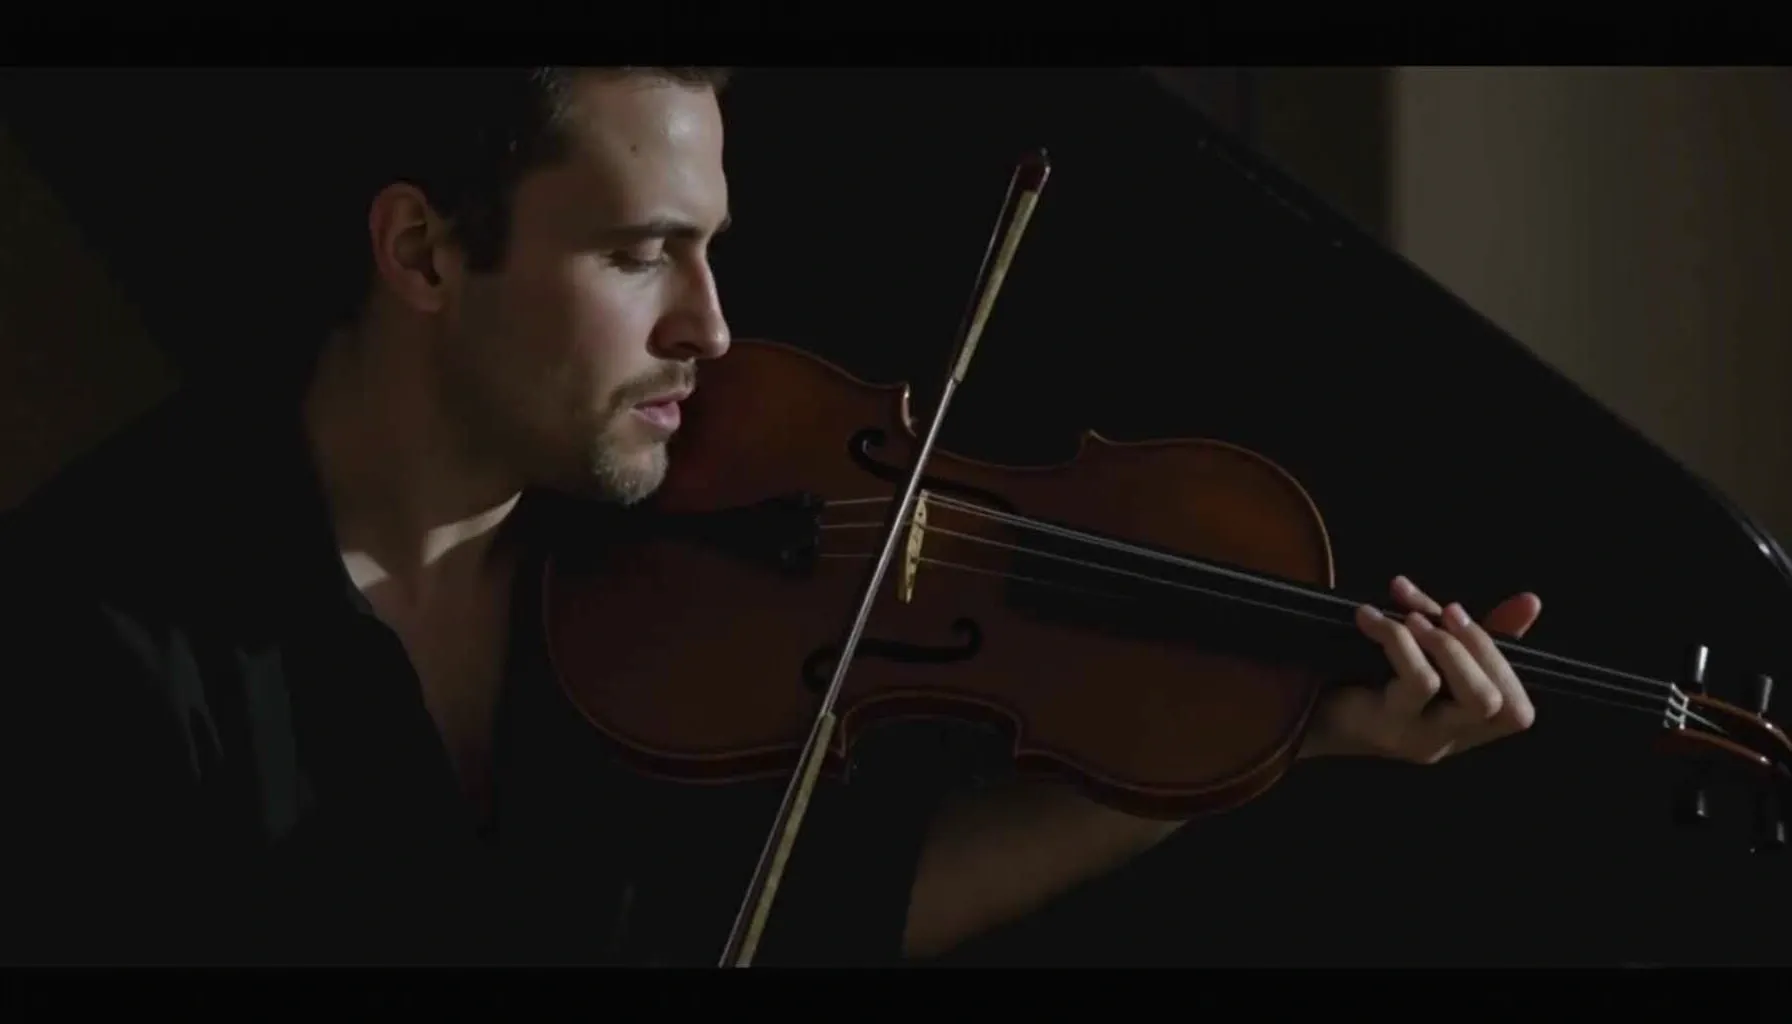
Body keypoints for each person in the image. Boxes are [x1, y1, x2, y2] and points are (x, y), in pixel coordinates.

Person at [0, 66, 1543, 967]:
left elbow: (809, 917)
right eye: (641, 255)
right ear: (422, 252)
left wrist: (1260, 741)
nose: (714, 329)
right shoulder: (91, 637)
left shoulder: (655, 564)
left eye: (711, 248)